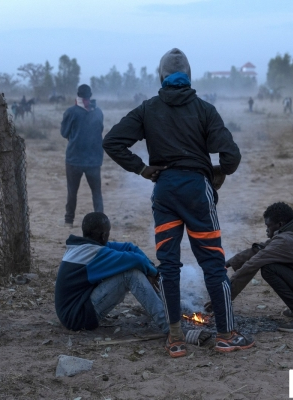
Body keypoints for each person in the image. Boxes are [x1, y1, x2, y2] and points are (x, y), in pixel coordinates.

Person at [102, 48, 253, 357]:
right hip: (197, 191)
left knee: (168, 267)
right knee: (212, 263)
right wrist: (215, 174)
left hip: (165, 192)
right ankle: (226, 335)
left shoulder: (147, 109)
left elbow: (112, 142)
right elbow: (232, 157)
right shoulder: (205, 110)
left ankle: (175, 339)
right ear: (189, 77)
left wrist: (142, 169)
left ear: (161, 77)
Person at [218, 202, 293, 332]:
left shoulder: (286, 241)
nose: (266, 230)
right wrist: (229, 263)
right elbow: (261, 249)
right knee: (271, 262)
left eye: (268, 226)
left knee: (269, 268)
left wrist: (224, 297)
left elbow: (253, 264)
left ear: (280, 225)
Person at [54, 212, 168, 334]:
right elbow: (136, 260)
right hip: (77, 318)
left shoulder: (84, 248)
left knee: (137, 267)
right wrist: (155, 273)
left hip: (75, 310)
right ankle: (169, 326)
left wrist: (149, 266)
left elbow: (129, 247)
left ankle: (166, 307)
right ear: (104, 235)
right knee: (129, 274)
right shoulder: (93, 254)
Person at [61, 84, 104, 228]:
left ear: (78, 97)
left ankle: (69, 221)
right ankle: (101, 220)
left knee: (72, 192)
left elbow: (64, 133)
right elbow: (100, 130)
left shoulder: (71, 112)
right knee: (96, 193)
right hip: (93, 159)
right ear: (89, 97)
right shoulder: (98, 112)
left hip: (74, 159)